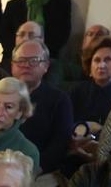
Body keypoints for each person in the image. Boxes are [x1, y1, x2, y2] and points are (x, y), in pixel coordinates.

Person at [6, 37, 76, 175]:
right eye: (20, 61)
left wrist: (33, 169)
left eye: (34, 61)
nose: (26, 65)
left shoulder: (59, 100)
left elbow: (59, 145)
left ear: (46, 66)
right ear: (12, 65)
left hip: (37, 171)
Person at [65, 33, 111, 147]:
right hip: (75, 148)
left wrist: (98, 129)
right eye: (96, 60)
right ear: (89, 65)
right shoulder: (77, 90)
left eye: (108, 60)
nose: (101, 65)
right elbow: (65, 123)